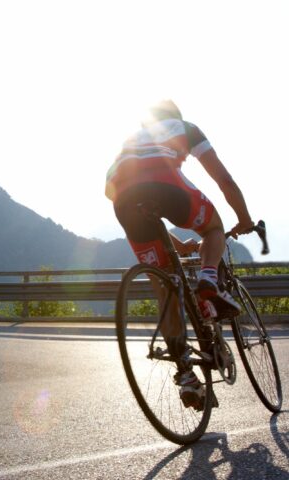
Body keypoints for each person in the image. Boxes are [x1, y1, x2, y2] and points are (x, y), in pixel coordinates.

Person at [105, 99, 254, 409]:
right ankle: (209, 278)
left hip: (124, 201)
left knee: (165, 285)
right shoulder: (186, 128)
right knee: (214, 229)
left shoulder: (130, 141)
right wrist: (244, 218)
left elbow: (112, 191)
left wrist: (174, 242)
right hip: (168, 187)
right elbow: (223, 179)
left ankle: (186, 375)